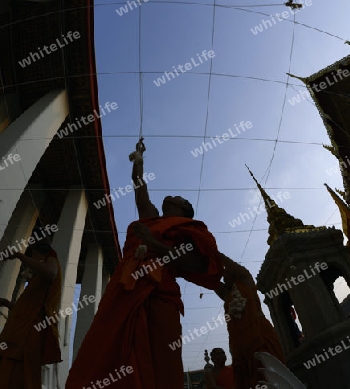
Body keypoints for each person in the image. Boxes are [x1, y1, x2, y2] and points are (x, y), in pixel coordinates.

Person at [66, 139, 223, 389]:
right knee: (110, 345)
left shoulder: (188, 229)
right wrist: (139, 160)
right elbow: (139, 189)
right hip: (126, 287)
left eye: (178, 197)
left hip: (160, 291)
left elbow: (195, 264)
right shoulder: (152, 218)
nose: (171, 195)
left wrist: (154, 243)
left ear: (184, 209)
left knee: (161, 356)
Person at [215, 254, 285, 389]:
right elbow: (211, 281)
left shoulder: (245, 279)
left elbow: (232, 266)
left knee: (268, 372)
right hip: (239, 343)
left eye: (226, 274)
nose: (224, 277)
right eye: (223, 276)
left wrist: (211, 251)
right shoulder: (226, 294)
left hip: (260, 335)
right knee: (247, 378)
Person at [0, 241, 62, 389]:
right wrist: (7, 304)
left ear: (36, 252)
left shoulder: (51, 259)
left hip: (28, 334)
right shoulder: (36, 280)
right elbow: (27, 310)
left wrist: (19, 256)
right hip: (17, 333)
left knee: (18, 371)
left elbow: (50, 273)